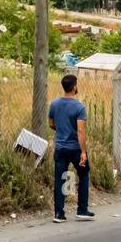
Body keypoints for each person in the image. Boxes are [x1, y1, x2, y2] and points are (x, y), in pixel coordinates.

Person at [48, 73, 94, 222]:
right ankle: (82, 209)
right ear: (74, 87)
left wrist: (61, 130)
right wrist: (83, 152)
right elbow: (81, 131)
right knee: (84, 173)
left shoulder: (54, 104)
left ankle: (59, 213)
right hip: (74, 148)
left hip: (60, 147)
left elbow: (51, 123)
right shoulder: (79, 107)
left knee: (59, 179)